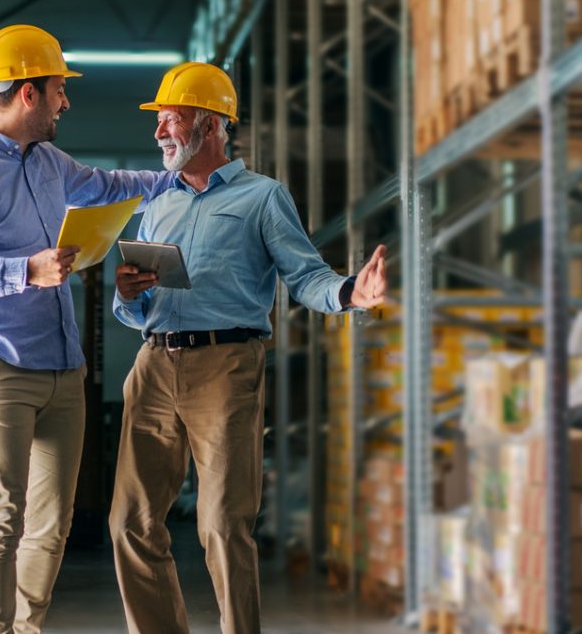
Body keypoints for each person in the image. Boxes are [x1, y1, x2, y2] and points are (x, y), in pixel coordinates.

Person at [108, 62, 387, 634]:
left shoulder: (263, 198)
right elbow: (133, 306)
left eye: (171, 120)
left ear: (210, 126)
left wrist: (349, 292)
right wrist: (128, 294)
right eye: (159, 122)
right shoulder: (156, 202)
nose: (159, 132)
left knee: (221, 523)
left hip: (225, 365)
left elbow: (304, 276)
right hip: (153, 363)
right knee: (130, 523)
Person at [0, 24, 178, 634]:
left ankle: (27, 628)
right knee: (1, 517)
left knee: (51, 522)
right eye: (60, 89)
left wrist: (181, 178)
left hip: (62, 369)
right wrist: (25, 270)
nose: (67, 101)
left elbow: (110, 186)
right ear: (30, 93)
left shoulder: (48, 162)